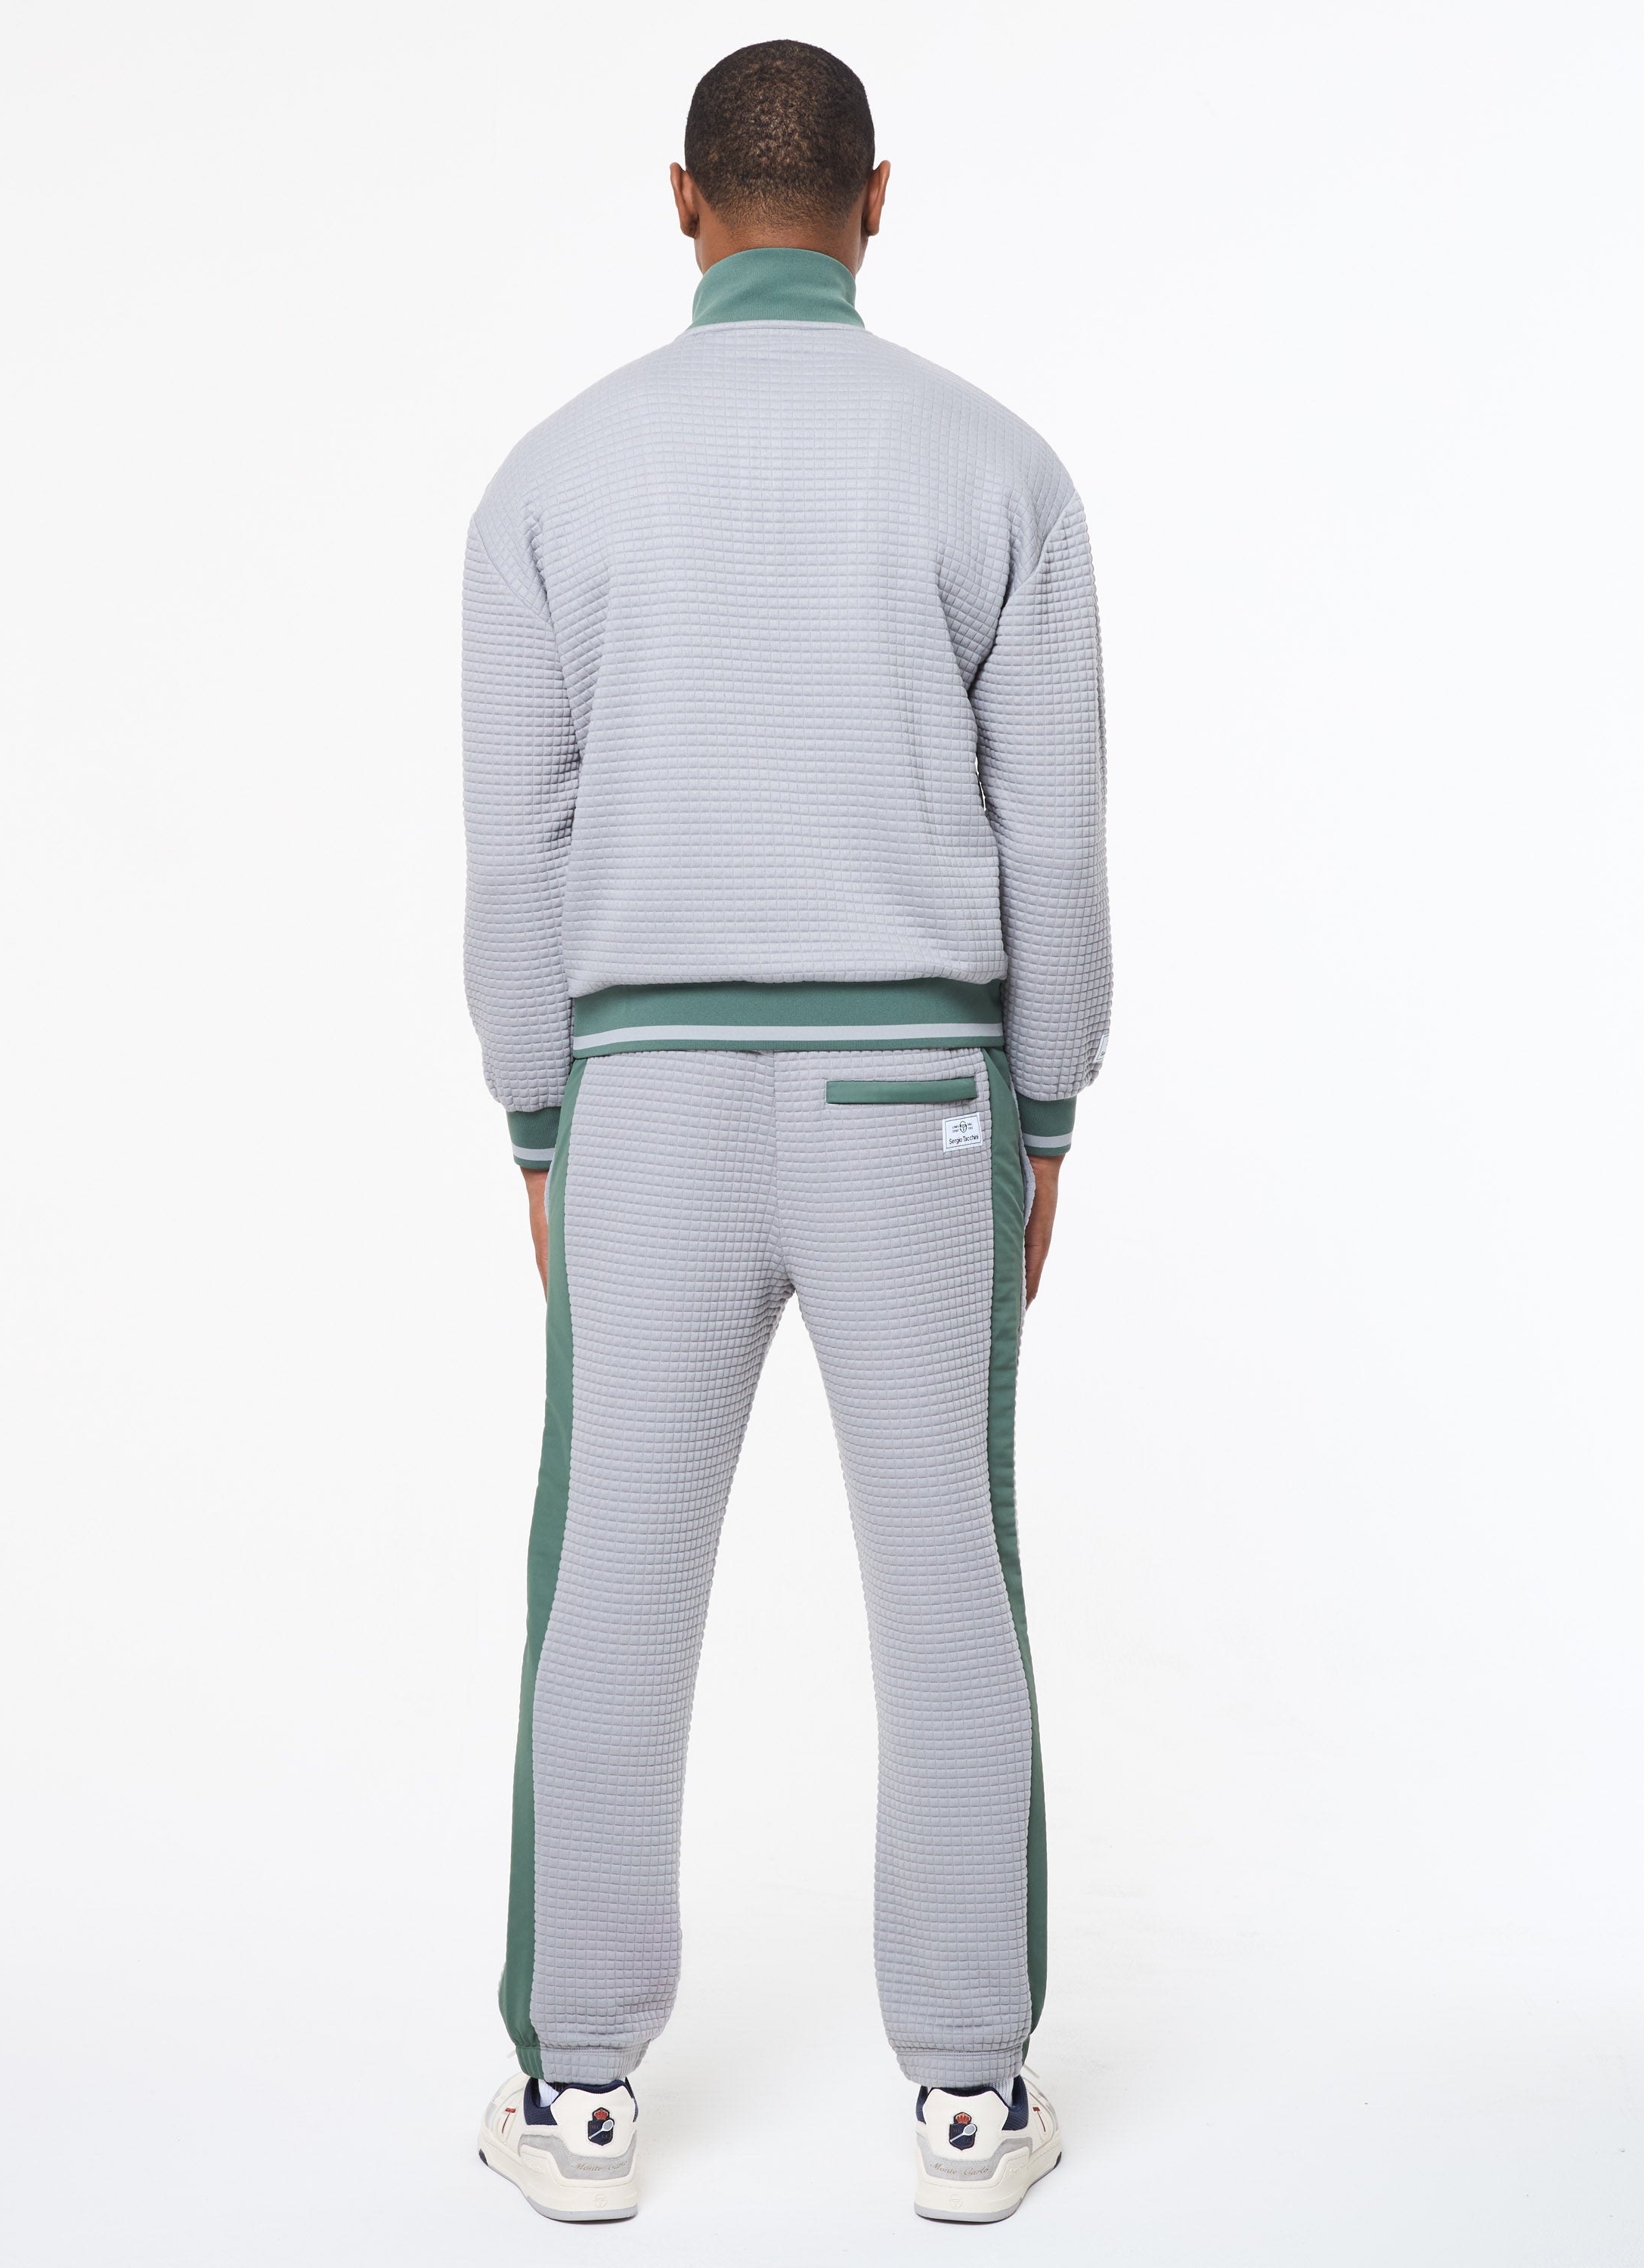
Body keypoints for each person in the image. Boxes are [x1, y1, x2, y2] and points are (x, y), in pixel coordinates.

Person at [462, 38, 1108, 2226]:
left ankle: (573, 2100)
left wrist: (536, 1122)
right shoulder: (997, 467)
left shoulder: (550, 477)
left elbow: (517, 853)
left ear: (680, 201)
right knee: (947, 1580)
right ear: (875, 198)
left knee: (609, 1581)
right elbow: (1053, 839)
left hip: (641, 1094)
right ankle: (968, 2102)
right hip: (915, 1095)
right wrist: (1044, 1106)